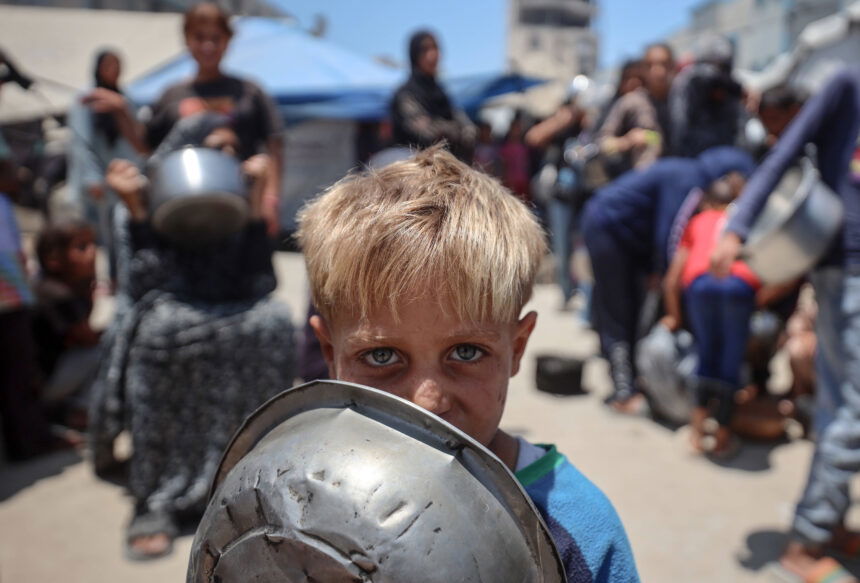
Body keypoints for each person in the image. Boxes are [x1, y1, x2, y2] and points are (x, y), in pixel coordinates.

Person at [296, 146, 640, 582]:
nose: (427, 402)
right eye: (382, 356)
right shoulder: (294, 497)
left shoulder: (572, 529)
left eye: (466, 353)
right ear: (330, 354)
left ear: (517, 348)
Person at [89, 113, 296, 561]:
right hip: (173, 307)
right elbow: (143, 286)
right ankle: (158, 496)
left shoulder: (237, 199)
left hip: (234, 305)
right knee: (160, 332)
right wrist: (138, 212)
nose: (228, 156)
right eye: (216, 148)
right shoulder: (145, 201)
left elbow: (262, 282)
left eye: (233, 150)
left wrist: (255, 202)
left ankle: (255, 479)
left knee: (274, 322)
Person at [711, 66, 860, 583]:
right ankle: (806, 541)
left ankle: (829, 522)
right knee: (854, 409)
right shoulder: (846, 85)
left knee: (841, 404)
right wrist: (737, 227)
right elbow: (786, 151)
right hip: (849, 272)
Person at [83, 3, 284, 235]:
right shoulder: (172, 95)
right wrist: (122, 110)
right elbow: (146, 146)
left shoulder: (249, 92)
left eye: (215, 38)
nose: (208, 46)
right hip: (183, 208)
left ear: (227, 40)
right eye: (199, 37)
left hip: (241, 205)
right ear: (187, 40)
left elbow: (274, 145)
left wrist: (270, 197)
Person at [582, 146, 755, 414]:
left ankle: (636, 379)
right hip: (607, 227)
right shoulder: (688, 181)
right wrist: (671, 286)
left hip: (629, 239)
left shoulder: (689, 176)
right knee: (618, 310)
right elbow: (670, 237)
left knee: (632, 309)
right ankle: (623, 391)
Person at [661, 172, 760, 457]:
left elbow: (672, 280)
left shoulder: (697, 221)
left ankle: (696, 434)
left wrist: (674, 316)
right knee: (731, 361)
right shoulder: (744, 222)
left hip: (701, 284)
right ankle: (721, 440)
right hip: (740, 285)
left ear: (707, 202)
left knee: (705, 356)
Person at [67, 49, 141, 285]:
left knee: (128, 229)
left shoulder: (124, 98)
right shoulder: (86, 99)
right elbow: (81, 142)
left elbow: (136, 139)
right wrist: (93, 177)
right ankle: (112, 278)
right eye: (109, 65)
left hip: (125, 177)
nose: (113, 71)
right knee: (106, 234)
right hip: (101, 181)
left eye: (117, 65)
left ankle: (129, 276)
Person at [31, 220, 101, 425]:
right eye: (82, 247)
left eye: (93, 244)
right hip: (41, 384)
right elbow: (87, 339)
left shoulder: (56, 286)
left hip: (46, 378)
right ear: (53, 259)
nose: (93, 252)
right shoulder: (56, 294)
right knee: (105, 350)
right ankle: (79, 411)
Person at [525, 85, 588, 308]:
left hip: (588, 192)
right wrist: (563, 119)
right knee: (562, 245)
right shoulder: (562, 121)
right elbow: (533, 137)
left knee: (585, 245)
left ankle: (585, 293)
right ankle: (567, 291)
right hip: (562, 193)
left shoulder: (591, 119)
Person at [390, 30, 476, 162]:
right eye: (425, 49)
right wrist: (454, 130)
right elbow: (427, 133)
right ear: (415, 54)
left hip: (447, 165)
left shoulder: (442, 94)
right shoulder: (406, 95)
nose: (433, 55)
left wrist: (449, 130)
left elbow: (469, 130)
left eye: (436, 48)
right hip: (413, 168)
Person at [598, 44, 675, 174]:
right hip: (643, 177)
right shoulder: (631, 102)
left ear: (672, 66)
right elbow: (602, 144)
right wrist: (627, 141)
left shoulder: (683, 100)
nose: (658, 71)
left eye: (664, 64)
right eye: (650, 65)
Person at [669, 35, 746, 158]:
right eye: (711, 65)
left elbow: (738, 125)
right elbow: (679, 126)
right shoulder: (687, 82)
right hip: (694, 154)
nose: (716, 72)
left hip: (726, 153)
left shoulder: (731, 87)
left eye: (723, 67)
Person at [498, 113, 531, 204]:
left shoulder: (524, 146)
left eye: (518, 128)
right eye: (514, 128)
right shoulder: (506, 147)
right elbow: (504, 165)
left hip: (523, 181)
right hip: (511, 181)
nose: (516, 131)